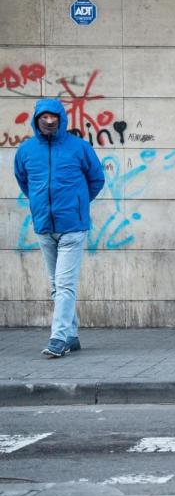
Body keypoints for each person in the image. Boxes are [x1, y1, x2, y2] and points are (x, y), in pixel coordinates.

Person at [14, 99, 105, 358]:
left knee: (64, 284)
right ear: (36, 120)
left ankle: (58, 338)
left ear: (61, 119)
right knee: (57, 284)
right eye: (44, 117)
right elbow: (24, 181)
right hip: (44, 226)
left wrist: (78, 204)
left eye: (53, 117)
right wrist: (39, 204)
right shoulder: (26, 150)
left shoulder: (79, 147)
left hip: (72, 227)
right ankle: (71, 335)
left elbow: (96, 179)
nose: (49, 121)